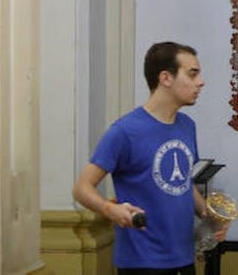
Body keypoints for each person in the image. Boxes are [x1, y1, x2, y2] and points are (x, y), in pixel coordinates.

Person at [72, 42, 227, 274]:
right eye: (192, 74)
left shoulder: (187, 126)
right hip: (142, 262)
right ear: (166, 78)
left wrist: (209, 215)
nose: (200, 82)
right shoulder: (124, 131)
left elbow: (183, 182)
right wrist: (109, 209)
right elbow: (82, 188)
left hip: (183, 258)